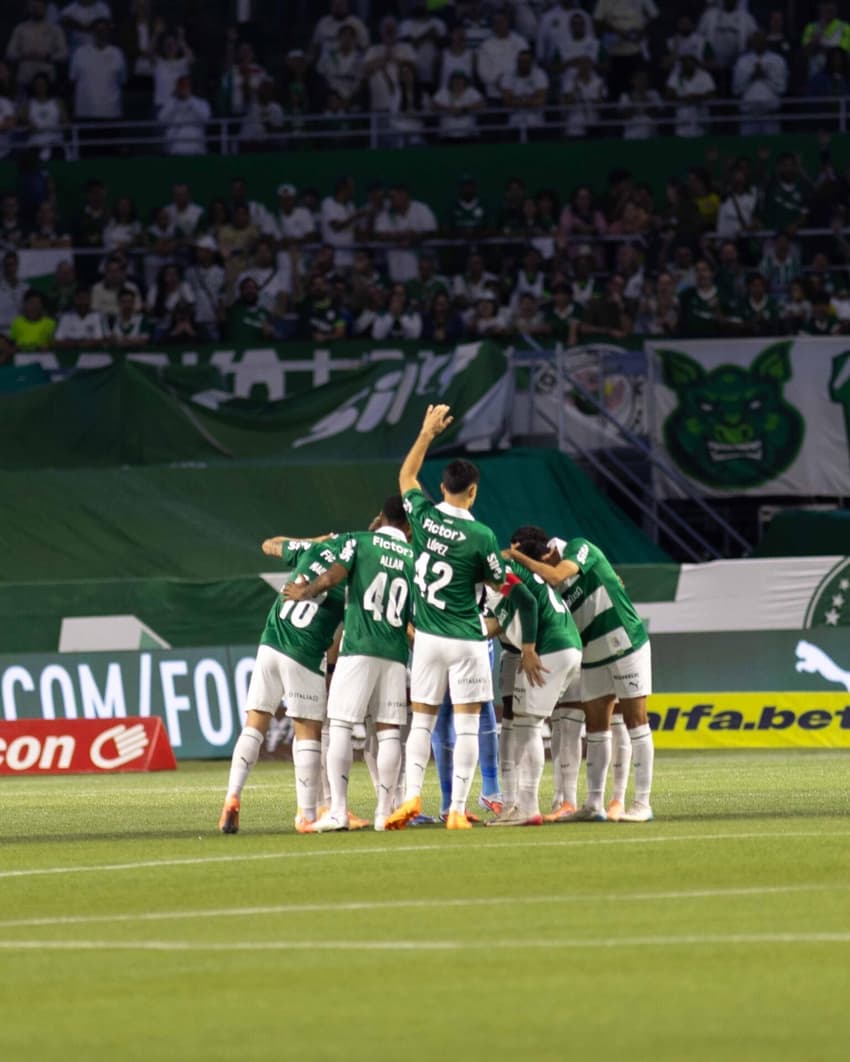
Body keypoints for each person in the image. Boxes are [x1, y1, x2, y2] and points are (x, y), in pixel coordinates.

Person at [385, 404, 516, 831]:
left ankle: (409, 799)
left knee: (420, 722)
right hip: (466, 639)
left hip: (425, 639)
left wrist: (426, 433)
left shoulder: (421, 516)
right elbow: (502, 586)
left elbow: (406, 477)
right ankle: (457, 808)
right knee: (467, 725)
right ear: (472, 492)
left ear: (442, 488)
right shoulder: (481, 536)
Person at [283, 497, 415, 832]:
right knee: (388, 732)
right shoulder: (414, 557)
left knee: (340, 725)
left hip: (359, 647)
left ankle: (339, 811)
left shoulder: (360, 540)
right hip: (396, 652)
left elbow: (331, 578)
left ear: (380, 517)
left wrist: (304, 592)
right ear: (409, 527)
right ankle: (385, 814)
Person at [507, 531, 654, 822]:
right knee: (597, 729)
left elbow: (558, 574)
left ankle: (641, 803)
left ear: (548, 552)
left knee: (636, 722)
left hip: (626, 642)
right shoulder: (552, 589)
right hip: (593, 654)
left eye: (539, 563)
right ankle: (594, 804)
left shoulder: (579, 547)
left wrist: (516, 557)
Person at [219, 534, 346, 834]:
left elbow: (268, 544)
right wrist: (328, 669)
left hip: (270, 643)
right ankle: (306, 814)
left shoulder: (313, 551)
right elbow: (337, 637)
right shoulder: (351, 577)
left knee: (254, 725)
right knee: (308, 732)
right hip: (303, 652)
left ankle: (231, 796)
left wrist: (316, 539)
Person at [485, 529, 582, 826]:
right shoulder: (507, 576)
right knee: (528, 723)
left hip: (552, 648)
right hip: (567, 648)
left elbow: (526, 603)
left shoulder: (499, 570)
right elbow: (497, 623)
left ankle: (527, 807)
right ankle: (520, 805)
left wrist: (527, 649)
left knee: (528, 726)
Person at [68, 18, 126, 120]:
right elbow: (73, 79)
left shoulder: (117, 53)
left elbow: (122, 80)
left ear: (108, 32)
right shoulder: (79, 53)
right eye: (97, 31)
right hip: (85, 112)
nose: (100, 34)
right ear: (92, 32)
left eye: (103, 31)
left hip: (111, 112)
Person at [6, 1, 69, 90]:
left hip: (47, 79)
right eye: (33, 6)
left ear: (45, 8)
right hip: (25, 78)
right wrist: (23, 55)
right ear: (28, 8)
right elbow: (10, 53)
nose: (37, 9)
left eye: (40, 7)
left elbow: (64, 53)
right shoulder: (20, 29)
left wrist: (48, 56)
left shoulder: (54, 29)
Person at [159, 76, 210, 155]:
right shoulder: (170, 103)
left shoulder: (201, 102)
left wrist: (190, 100)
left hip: (196, 149)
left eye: (186, 86)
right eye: (181, 86)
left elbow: (205, 118)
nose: (183, 89)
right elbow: (161, 120)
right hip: (174, 149)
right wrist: (174, 101)